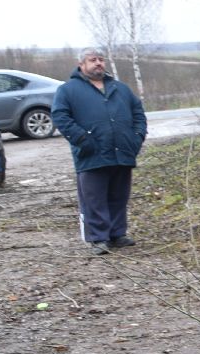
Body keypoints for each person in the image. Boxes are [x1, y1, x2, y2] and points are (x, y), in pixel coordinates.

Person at [51, 49, 147, 256]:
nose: (98, 63)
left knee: (119, 195)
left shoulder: (120, 88)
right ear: (81, 64)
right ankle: (98, 238)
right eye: (92, 60)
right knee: (94, 198)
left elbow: (138, 113)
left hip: (122, 151)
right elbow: (60, 117)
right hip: (91, 153)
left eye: (101, 60)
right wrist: (83, 140)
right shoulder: (68, 90)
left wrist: (136, 138)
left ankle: (117, 234)